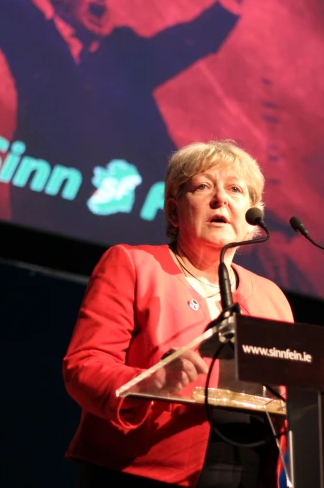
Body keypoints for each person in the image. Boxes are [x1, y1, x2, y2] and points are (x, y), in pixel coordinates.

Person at [0, 0, 283, 245]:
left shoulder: (123, 53)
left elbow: (181, 44)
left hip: (135, 217)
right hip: (51, 209)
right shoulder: (29, 31)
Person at [62, 140, 294, 487]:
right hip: (141, 469)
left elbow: (287, 394)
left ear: (252, 218)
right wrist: (148, 383)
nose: (221, 199)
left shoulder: (271, 297)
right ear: (174, 212)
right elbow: (84, 366)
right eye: (203, 187)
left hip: (249, 471)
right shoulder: (134, 265)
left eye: (235, 189)